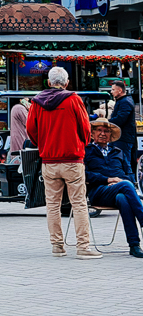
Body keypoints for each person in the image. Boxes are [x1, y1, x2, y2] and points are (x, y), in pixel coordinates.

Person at [26, 66, 101, 259]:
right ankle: (83, 247)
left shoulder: (36, 102)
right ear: (66, 83)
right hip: (72, 159)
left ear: (49, 82)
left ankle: (57, 246)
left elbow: (30, 130)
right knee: (79, 203)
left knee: (52, 204)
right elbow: (85, 128)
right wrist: (82, 144)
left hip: (49, 160)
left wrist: (42, 144)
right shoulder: (73, 99)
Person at [84, 118, 143, 258]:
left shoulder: (118, 151)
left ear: (111, 136)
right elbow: (83, 174)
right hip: (98, 192)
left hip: (120, 191)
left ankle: (134, 245)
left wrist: (119, 183)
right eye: (99, 130)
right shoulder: (87, 151)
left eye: (106, 131)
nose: (103, 134)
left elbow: (129, 175)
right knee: (125, 185)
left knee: (123, 197)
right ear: (92, 134)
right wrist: (107, 180)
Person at [108, 80, 137, 170]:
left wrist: (107, 122)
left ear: (120, 90)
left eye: (113, 89)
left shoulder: (125, 102)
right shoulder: (124, 100)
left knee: (125, 163)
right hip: (123, 137)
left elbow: (120, 119)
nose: (111, 92)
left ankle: (130, 182)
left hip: (124, 138)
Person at [8, 98, 30, 165]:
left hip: (18, 139)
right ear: (20, 100)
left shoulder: (16, 108)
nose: (28, 100)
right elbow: (29, 123)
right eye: (26, 99)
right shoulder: (19, 108)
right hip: (21, 139)